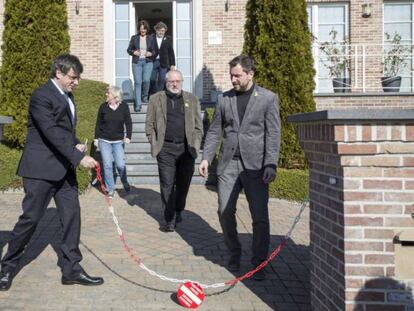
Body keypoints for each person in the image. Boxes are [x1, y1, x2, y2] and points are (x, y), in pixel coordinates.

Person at [0, 54, 104, 291]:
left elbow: (64, 132)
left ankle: (72, 270)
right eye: (73, 77)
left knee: (71, 217)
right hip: (41, 170)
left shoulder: (68, 97)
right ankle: (7, 267)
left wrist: (76, 144)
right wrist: (79, 157)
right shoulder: (41, 96)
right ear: (59, 72)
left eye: (77, 78)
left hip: (63, 170)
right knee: (31, 220)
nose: (76, 82)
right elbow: (50, 132)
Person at [199, 55, 280, 281]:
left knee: (260, 217)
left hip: (256, 167)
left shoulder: (268, 98)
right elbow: (215, 130)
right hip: (229, 164)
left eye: (237, 75)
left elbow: (273, 134)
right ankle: (234, 252)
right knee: (224, 212)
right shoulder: (224, 99)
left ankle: (259, 262)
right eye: (231, 75)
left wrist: (270, 163)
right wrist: (206, 157)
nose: (233, 79)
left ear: (250, 74)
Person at [145, 70, 203, 232]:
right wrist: (155, 142)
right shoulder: (155, 99)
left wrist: (195, 145)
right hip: (165, 149)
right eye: (171, 81)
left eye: (178, 81)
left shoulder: (192, 99)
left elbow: (198, 126)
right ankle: (169, 218)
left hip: (186, 149)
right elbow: (149, 125)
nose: (175, 84)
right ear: (166, 82)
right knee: (167, 184)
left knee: (183, 185)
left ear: (182, 82)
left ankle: (178, 209)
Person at [94, 86, 132, 198]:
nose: (106, 95)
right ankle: (110, 189)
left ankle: (124, 181)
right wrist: (96, 139)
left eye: (108, 93)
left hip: (118, 141)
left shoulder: (124, 107)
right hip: (104, 140)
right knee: (107, 165)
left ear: (115, 96)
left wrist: (128, 136)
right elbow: (98, 123)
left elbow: (128, 122)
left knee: (120, 165)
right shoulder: (103, 107)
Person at [127, 20, 156, 112]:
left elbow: (155, 51)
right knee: (138, 82)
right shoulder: (134, 38)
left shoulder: (151, 38)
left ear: (147, 29)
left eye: (144, 29)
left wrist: (151, 53)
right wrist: (133, 52)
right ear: (139, 29)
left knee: (146, 80)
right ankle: (138, 104)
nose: (143, 30)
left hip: (148, 62)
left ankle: (144, 96)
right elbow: (128, 49)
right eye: (141, 28)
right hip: (137, 62)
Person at [150, 21, 176, 94]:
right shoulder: (151, 38)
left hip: (164, 62)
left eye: (163, 31)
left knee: (162, 79)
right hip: (153, 61)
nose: (161, 32)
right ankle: (153, 93)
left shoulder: (168, 39)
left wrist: (172, 64)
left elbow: (171, 52)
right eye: (159, 30)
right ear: (156, 30)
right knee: (152, 79)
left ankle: (159, 94)